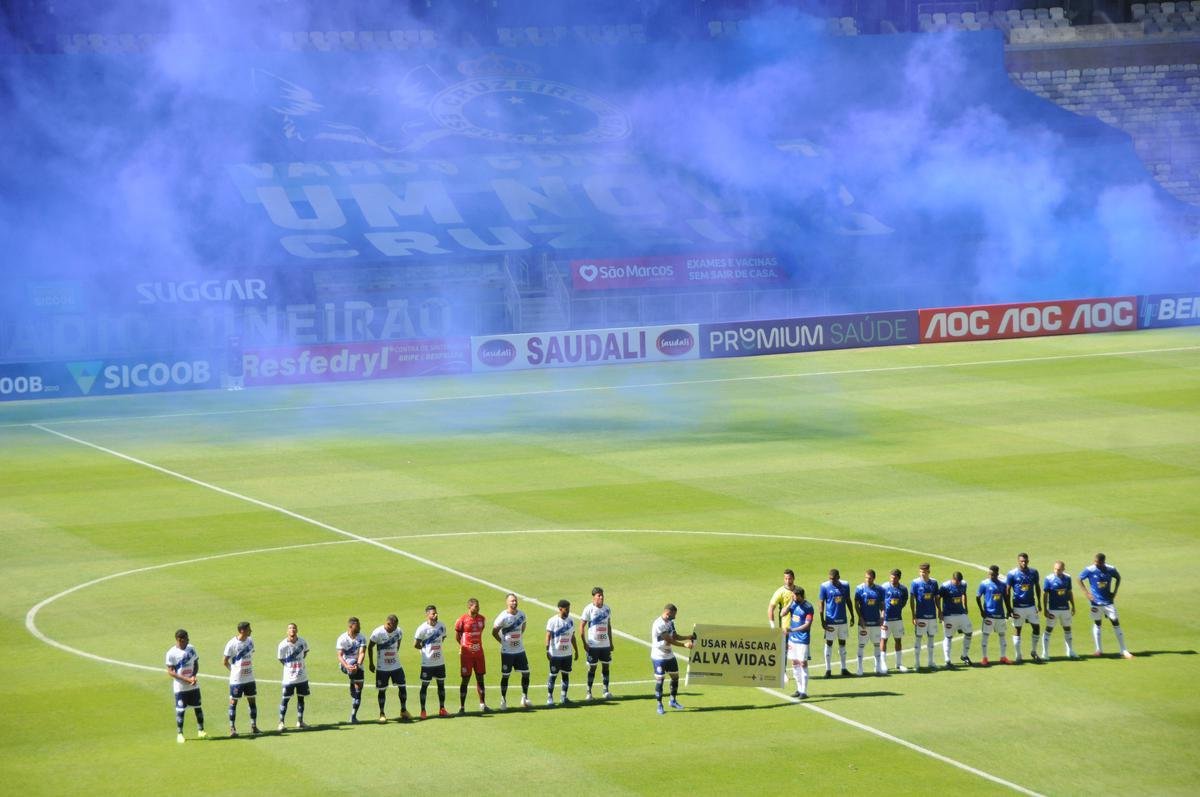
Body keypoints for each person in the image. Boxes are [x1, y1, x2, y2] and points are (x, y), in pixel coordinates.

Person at [1078, 553, 1133, 658]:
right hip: (1095, 602)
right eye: (1095, 562)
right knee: (1097, 623)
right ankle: (1098, 650)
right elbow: (1079, 579)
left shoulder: (1111, 569)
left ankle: (1123, 650)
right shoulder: (1090, 569)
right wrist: (1087, 593)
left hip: (1108, 602)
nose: (1096, 564)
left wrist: (1115, 592)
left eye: (1098, 563)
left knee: (1115, 622)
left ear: (1103, 562)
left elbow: (1118, 578)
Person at [650, 603, 695, 715]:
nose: (675, 617)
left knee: (675, 677)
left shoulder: (670, 622)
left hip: (669, 655)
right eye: (674, 614)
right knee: (660, 680)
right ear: (667, 613)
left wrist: (688, 637)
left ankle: (673, 700)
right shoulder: (659, 624)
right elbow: (669, 639)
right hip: (659, 656)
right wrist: (684, 645)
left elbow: (675, 636)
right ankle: (659, 704)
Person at [492, 593, 531, 710]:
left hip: (520, 650)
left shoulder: (522, 615)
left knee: (526, 673)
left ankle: (524, 697)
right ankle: (503, 700)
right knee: (506, 676)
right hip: (507, 652)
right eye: (512, 601)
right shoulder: (502, 617)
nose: (514, 602)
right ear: (507, 602)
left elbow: (523, 627)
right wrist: (502, 642)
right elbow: (494, 632)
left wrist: (517, 638)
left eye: (515, 600)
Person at [166, 629, 206, 743]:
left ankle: (201, 730)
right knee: (181, 710)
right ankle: (180, 734)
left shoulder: (191, 648)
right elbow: (171, 672)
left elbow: (196, 663)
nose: (188, 640)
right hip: (180, 687)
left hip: (193, 685)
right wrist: (186, 679)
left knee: (198, 706)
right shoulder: (171, 653)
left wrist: (193, 676)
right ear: (180, 639)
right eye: (186, 639)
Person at [368, 614, 410, 722]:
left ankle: (403, 710)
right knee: (382, 690)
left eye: (396, 626)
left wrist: (395, 652)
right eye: (394, 626)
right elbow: (370, 646)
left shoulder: (398, 631)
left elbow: (399, 642)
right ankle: (382, 713)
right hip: (382, 667)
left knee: (402, 687)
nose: (395, 628)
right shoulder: (377, 633)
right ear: (388, 623)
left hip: (396, 665)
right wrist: (371, 663)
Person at [222, 620, 259, 736]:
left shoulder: (250, 641)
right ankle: (232, 728)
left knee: (252, 701)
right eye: (249, 629)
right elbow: (224, 661)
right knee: (233, 702)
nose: (251, 630)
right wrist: (234, 671)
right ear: (242, 630)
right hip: (237, 679)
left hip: (249, 677)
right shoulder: (231, 644)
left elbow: (249, 655)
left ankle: (254, 726)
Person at [413, 605, 449, 718]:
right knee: (424, 686)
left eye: (436, 613)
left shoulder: (442, 626)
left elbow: (442, 638)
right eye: (433, 613)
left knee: (441, 685)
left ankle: (442, 708)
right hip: (427, 663)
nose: (436, 615)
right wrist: (425, 650)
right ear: (427, 615)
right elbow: (416, 644)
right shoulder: (422, 629)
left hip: (439, 662)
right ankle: (423, 710)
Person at [454, 598, 489, 713]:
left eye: (478, 606)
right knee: (465, 679)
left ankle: (482, 704)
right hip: (467, 655)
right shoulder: (462, 620)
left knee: (480, 678)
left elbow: (480, 632)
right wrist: (464, 646)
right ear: (469, 607)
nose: (478, 608)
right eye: (476, 606)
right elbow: (457, 636)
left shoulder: (482, 619)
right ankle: (462, 707)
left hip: (479, 653)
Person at [1006, 553, 1043, 663]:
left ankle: (1034, 651)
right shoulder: (1012, 574)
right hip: (1018, 606)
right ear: (1018, 561)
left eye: (1025, 561)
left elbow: (1037, 587)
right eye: (1022, 561)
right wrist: (1009, 609)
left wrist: (1039, 603)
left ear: (1028, 561)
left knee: (1036, 627)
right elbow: (1007, 591)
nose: (1024, 563)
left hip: (1031, 606)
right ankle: (1018, 655)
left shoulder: (1034, 572)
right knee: (1018, 629)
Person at [580, 586, 615, 700]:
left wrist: (611, 642)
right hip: (593, 645)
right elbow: (582, 626)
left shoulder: (607, 609)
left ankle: (606, 690)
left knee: (606, 667)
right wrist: (584, 642)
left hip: (605, 644)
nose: (601, 597)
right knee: (592, 668)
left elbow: (608, 626)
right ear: (593, 597)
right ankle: (589, 692)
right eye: (599, 595)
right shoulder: (588, 609)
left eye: (602, 595)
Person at [818, 568, 855, 677]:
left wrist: (852, 615)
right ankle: (828, 669)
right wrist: (822, 620)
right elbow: (821, 603)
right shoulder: (824, 586)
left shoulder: (845, 585)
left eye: (833, 579)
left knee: (842, 643)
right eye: (830, 579)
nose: (832, 581)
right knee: (829, 643)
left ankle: (843, 668)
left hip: (842, 620)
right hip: (831, 621)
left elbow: (848, 600)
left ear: (838, 577)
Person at [1041, 560, 1078, 659]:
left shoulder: (1068, 578)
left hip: (1065, 608)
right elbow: (1045, 594)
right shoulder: (1048, 579)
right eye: (1056, 569)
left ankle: (1070, 651)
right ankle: (1045, 653)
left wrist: (1073, 606)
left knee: (1067, 628)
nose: (1057, 571)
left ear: (1063, 569)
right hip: (1053, 609)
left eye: (1059, 569)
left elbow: (1069, 592)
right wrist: (1045, 609)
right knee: (1049, 629)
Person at [545, 599, 579, 705]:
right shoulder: (552, 621)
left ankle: (563, 697)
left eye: (569, 609)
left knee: (565, 675)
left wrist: (576, 650)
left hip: (567, 654)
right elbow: (548, 635)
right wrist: (547, 650)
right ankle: (550, 698)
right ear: (560, 609)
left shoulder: (570, 621)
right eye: (566, 609)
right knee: (553, 675)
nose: (568, 611)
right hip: (555, 654)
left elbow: (572, 637)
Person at [976, 566, 1012, 666]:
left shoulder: (1002, 585)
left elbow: (1006, 598)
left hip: (1000, 615)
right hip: (989, 615)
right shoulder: (984, 584)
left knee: (1002, 635)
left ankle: (1003, 657)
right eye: (990, 574)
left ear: (997, 574)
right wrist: (981, 610)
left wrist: (1009, 610)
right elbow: (978, 597)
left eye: (993, 574)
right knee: (985, 636)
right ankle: (984, 658)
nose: (991, 576)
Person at [277, 622, 309, 731]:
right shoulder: (282, 645)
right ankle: (281, 722)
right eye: (290, 628)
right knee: (285, 700)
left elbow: (305, 653)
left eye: (294, 628)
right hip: (289, 678)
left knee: (301, 699)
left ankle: (300, 721)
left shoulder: (302, 642)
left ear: (297, 630)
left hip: (302, 676)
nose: (292, 630)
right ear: (287, 631)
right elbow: (281, 659)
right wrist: (290, 666)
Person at [854, 569, 886, 676]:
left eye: (870, 578)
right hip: (864, 623)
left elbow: (882, 605)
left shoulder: (880, 590)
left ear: (874, 578)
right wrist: (860, 617)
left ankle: (877, 667)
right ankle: (859, 668)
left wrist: (882, 616)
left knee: (877, 644)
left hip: (876, 622)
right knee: (861, 645)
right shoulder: (859, 588)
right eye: (866, 577)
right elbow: (856, 604)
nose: (868, 579)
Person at [785, 586, 815, 699]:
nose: (792, 597)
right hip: (792, 639)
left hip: (802, 640)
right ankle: (798, 689)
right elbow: (782, 613)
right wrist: (789, 603)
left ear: (800, 596)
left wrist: (792, 630)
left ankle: (804, 691)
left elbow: (807, 625)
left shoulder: (808, 607)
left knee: (803, 663)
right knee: (794, 663)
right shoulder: (793, 604)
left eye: (794, 595)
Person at [336, 616, 367, 724]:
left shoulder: (361, 638)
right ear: (351, 626)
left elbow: (362, 653)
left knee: (358, 691)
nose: (360, 627)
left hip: (358, 664)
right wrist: (346, 666)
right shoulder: (342, 638)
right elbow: (339, 655)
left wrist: (358, 665)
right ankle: (352, 679)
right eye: (357, 626)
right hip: (345, 664)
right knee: (352, 663)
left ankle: (353, 716)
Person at [938, 571, 973, 667]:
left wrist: (965, 607)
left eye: (959, 582)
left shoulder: (963, 584)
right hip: (949, 615)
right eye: (957, 582)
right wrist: (939, 612)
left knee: (969, 632)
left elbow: (964, 594)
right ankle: (947, 660)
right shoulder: (945, 586)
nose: (958, 584)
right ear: (953, 579)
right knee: (948, 636)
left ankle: (964, 655)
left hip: (961, 613)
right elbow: (937, 598)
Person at [909, 563, 939, 670]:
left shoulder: (934, 583)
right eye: (921, 571)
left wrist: (939, 611)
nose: (922, 573)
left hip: (932, 616)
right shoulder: (915, 583)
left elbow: (936, 598)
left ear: (928, 572)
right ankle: (917, 663)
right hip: (920, 615)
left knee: (931, 639)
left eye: (924, 572)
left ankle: (930, 662)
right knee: (918, 639)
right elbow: (912, 599)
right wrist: (913, 615)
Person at [881, 569, 909, 672]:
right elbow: (880, 601)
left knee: (898, 640)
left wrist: (898, 608)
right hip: (886, 619)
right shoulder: (884, 587)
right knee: (884, 639)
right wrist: (881, 615)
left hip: (897, 619)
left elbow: (904, 600)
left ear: (899, 578)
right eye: (891, 577)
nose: (892, 579)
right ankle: (883, 663)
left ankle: (899, 664)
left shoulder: (903, 589)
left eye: (895, 578)